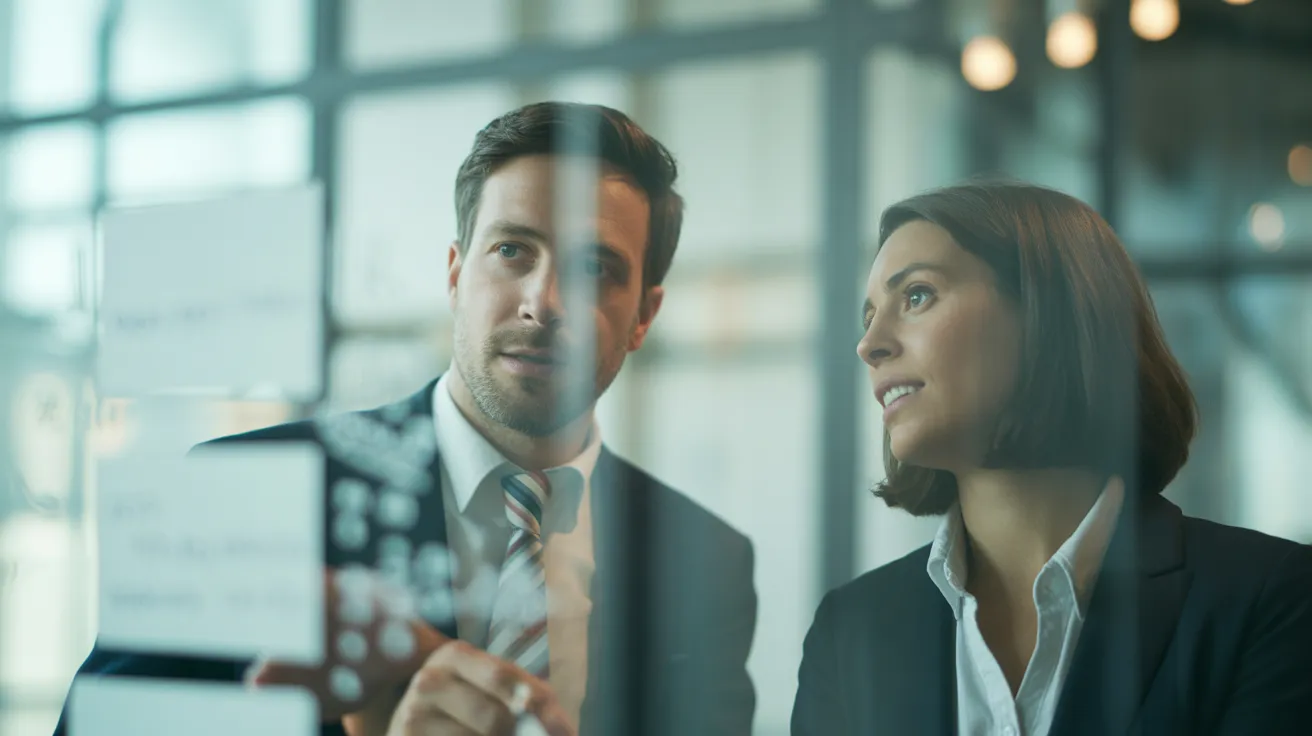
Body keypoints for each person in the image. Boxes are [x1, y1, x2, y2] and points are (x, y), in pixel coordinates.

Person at [55, 102, 757, 736]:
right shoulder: (243, 492)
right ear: (455, 274)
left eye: (596, 268)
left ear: (644, 316)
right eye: (513, 250)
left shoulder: (707, 560)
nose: (544, 303)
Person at [791, 181, 1312, 735]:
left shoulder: (1267, 599)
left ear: (1051, 310)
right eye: (869, 314)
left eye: (917, 295)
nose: (870, 343)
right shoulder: (849, 632)